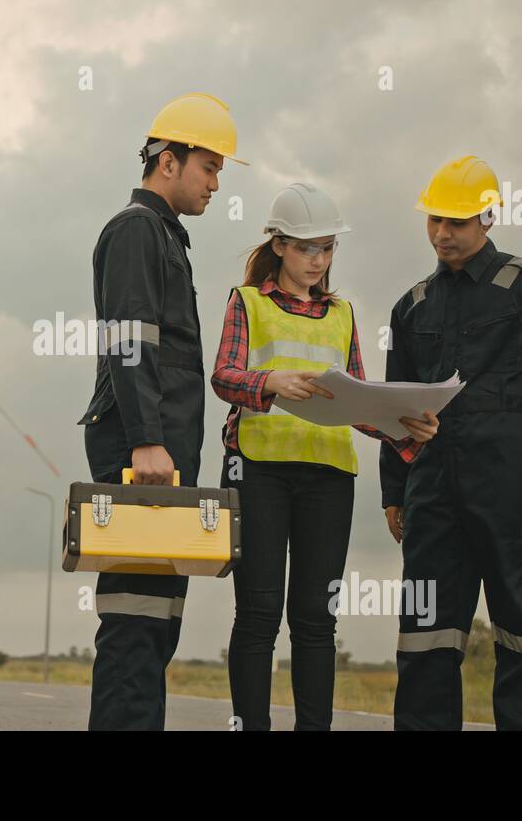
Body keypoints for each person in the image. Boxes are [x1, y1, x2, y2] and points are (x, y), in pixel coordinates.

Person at [212, 182, 438, 730]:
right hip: (259, 471)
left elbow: (356, 399)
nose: (319, 260)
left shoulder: (343, 313)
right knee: (260, 615)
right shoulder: (247, 302)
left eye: (328, 248)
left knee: (316, 619)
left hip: (329, 477)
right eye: (308, 247)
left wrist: (404, 427)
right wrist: (271, 382)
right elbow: (223, 376)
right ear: (280, 245)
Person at [382, 155, 522, 731]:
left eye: (456, 222)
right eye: (434, 220)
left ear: (488, 217)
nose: (442, 233)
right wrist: (393, 490)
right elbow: (395, 408)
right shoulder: (412, 305)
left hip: (513, 490)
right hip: (432, 497)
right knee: (425, 639)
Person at [76, 93, 248, 730]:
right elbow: (130, 340)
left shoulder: (165, 236)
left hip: (162, 454)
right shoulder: (136, 230)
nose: (215, 183)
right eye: (209, 167)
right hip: (140, 454)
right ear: (167, 162)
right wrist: (147, 441)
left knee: (155, 624)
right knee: (134, 623)